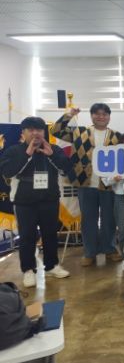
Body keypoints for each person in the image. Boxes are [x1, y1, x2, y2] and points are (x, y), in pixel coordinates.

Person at [0, 117, 72, 288]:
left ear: (44, 132)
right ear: (23, 133)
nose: (35, 133)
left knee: (50, 234)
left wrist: (52, 155)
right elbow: (8, 172)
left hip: (49, 199)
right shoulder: (14, 150)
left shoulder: (53, 149)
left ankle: (51, 266)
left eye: (39, 130)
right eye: (31, 130)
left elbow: (66, 169)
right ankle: (28, 270)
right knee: (27, 236)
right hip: (24, 201)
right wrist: (27, 154)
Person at [50, 103, 122, 266]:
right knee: (88, 220)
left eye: (104, 114)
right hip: (85, 182)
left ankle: (109, 249)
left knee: (109, 219)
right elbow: (55, 131)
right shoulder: (79, 132)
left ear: (109, 117)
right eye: (97, 113)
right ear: (91, 116)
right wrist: (69, 115)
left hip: (109, 185)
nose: (101, 117)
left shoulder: (117, 136)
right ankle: (90, 252)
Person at [102, 133, 124, 260]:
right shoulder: (113, 159)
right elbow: (105, 181)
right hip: (121, 197)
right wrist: (114, 178)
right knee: (123, 229)